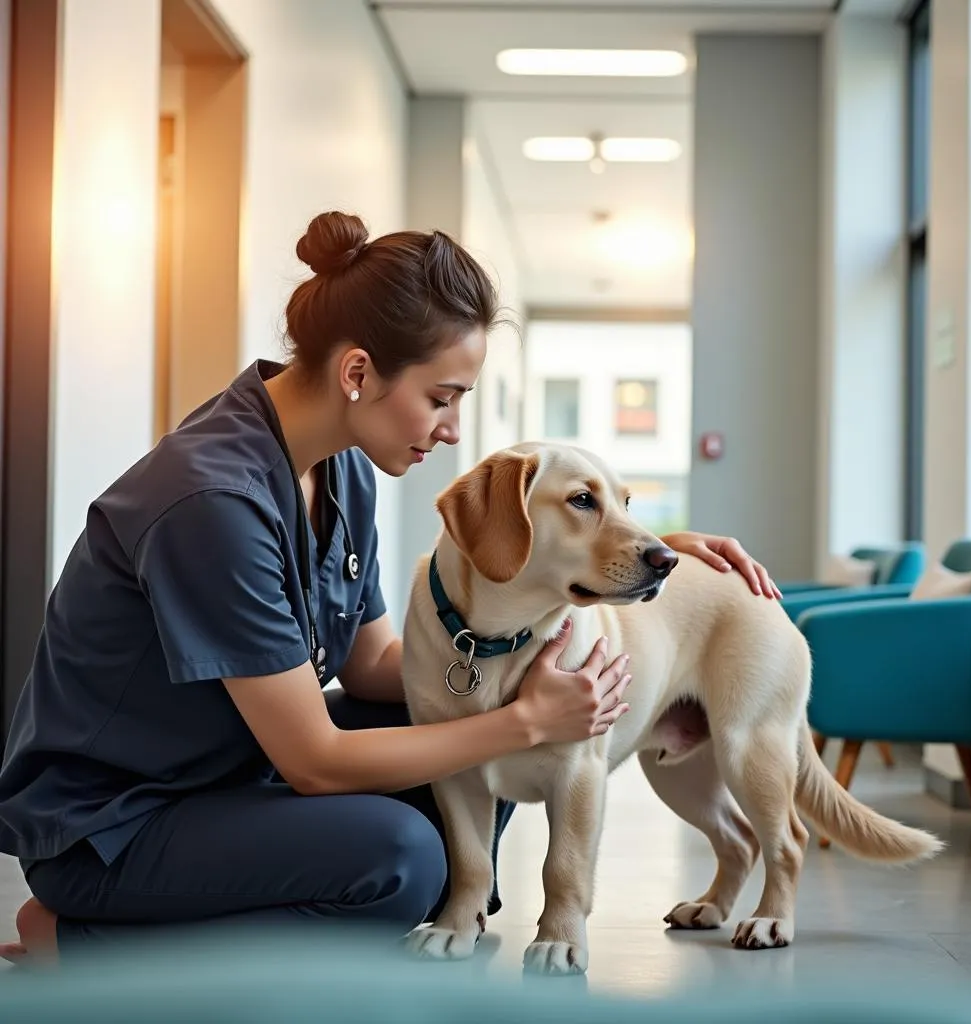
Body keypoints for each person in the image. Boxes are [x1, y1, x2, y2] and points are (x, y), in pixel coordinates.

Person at [0, 211, 781, 963]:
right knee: (404, 859)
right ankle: (82, 939)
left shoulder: (338, 464)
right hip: (114, 825)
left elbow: (377, 665)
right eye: (441, 398)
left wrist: (623, 564)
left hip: (229, 772)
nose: (450, 429)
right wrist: (527, 722)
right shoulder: (214, 504)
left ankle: (424, 894)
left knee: (458, 717)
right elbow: (313, 760)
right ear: (358, 372)